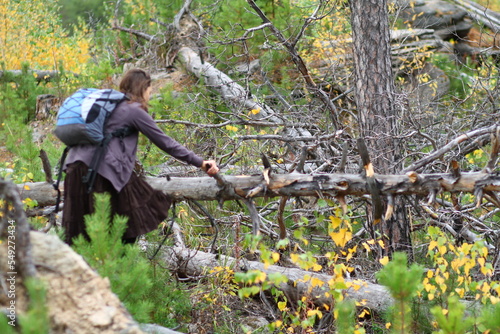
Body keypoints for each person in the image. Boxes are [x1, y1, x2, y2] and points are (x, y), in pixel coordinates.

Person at [62, 68, 219, 245]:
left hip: (75, 169)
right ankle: (116, 270)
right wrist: (200, 162)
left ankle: (94, 270)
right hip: (101, 172)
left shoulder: (108, 106)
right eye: (150, 91)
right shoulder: (133, 109)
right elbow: (165, 142)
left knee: (83, 237)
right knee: (127, 227)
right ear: (143, 88)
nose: (149, 96)